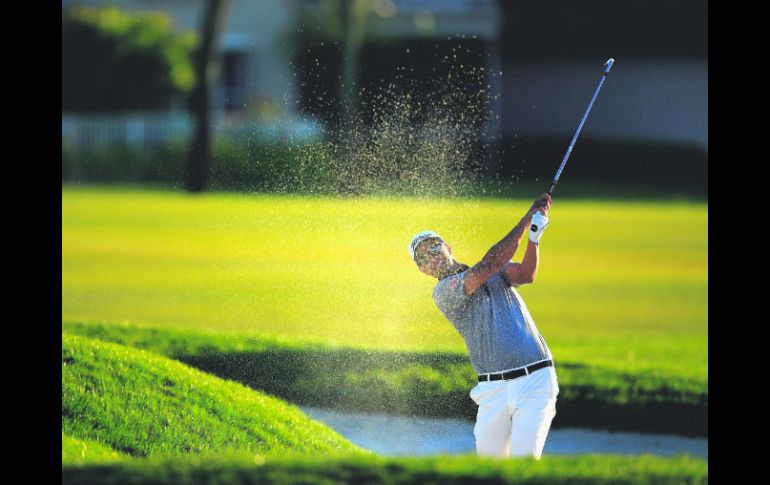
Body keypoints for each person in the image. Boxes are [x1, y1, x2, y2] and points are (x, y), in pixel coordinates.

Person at [408, 193, 558, 459]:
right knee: (490, 469)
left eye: (434, 247)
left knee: (525, 461)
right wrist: (526, 219)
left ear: (448, 247)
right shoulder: (443, 292)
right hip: (493, 391)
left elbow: (526, 274)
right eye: (423, 258)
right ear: (422, 271)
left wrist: (534, 238)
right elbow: (491, 263)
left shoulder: (490, 272)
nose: (432, 257)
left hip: (535, 379)